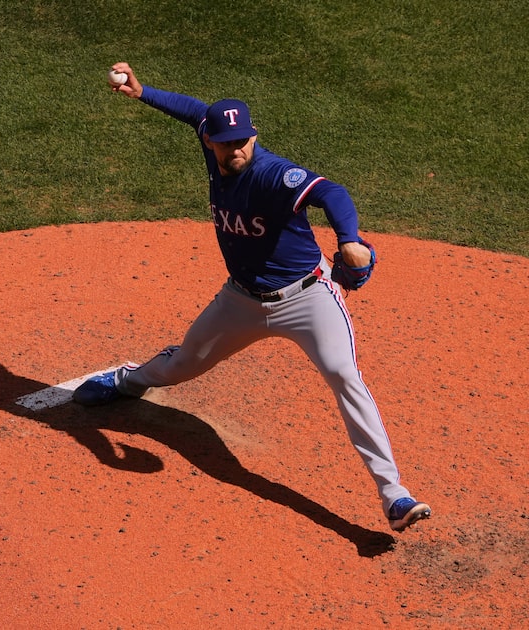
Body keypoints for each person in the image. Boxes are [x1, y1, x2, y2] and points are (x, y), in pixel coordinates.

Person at [74, 62, 431, 533]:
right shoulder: (213, 147)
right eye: (224, 142)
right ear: (210, 142)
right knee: (182, 364)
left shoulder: (272, 174)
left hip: (308, 298)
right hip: (240, 301)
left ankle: (394, 495)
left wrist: (348, 238)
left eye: (242, 141)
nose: (235, 149)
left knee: (346, 377)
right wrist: (143, 93)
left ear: (253, 137)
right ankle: (126, 381)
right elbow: (194, 111)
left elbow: (332, 192)